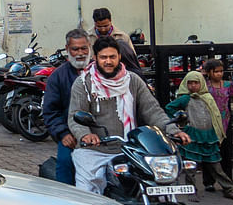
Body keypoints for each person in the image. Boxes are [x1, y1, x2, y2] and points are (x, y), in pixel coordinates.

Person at [67, 36, 189, 195]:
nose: (108, 61)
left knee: (155, 185)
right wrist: (85, 135)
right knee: (88, 193)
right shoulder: (84, 83)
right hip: (94, 151)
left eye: (112, 57)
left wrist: (173, 130)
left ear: (119, 57)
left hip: (129, 149)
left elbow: (152, 111)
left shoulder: (133, 80)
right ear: (95, 58)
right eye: (103, 57)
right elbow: (75, 116)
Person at [166, 71, 233, 201]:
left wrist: (218, 135)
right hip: (193, 135)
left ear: (201, 83)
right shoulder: (185, 98)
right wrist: (180, 119)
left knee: (216, 166)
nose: (193, 86)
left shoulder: (208, 97)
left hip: (209, 136)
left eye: (196, 83)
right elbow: (169, 108)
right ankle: (191, 190)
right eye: (190, 83)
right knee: (191, 167)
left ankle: (228, 189)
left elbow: (216, 117)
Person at [41, 28, 91, 185]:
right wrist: (62, 134)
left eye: (84, 48)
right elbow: (50, 111)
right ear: (68, 49)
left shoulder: (100, 71)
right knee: (65, 167)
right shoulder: (58, 76)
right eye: (75, 49)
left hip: (100, 136)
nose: (80, 53)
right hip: (71, 136)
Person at [201, 58, 233, 178]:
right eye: (216, 71)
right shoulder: (205, 86)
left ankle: (227, 178)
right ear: (209, 72)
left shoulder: (228, 85)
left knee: (226, 152)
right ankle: (209, 180)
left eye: (221, 71)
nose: (219, 74)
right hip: (210, 123)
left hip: (225, 122)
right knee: (209, 150)